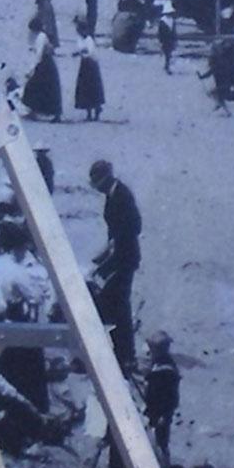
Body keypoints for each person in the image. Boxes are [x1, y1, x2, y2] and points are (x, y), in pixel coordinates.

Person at [88, 159, 142, 375]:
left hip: (124, 259)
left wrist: (111, 252)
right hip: (118, 256)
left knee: (118, 307)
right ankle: (120, 352)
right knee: (115, 304)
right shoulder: (113, 194)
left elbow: (134, 226)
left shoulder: (122, 195)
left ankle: (125, 356)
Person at [143, 332, 181, 468]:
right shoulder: (159, 364)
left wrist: (163, 413)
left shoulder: (166, 369)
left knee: (160, 437)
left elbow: (167, 395)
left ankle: (163, 466)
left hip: (161, 409)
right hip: (155, 408)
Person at [20, 16, 62, 122]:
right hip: (47, 64)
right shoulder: (42, 36)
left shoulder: (40, 37)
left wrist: (32, 70)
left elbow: (38, 55)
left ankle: (35, 110)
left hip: (44, 65)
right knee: (45, 89)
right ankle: (38, 111)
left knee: (34, 86)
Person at [72, 22, 105, 122]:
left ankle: (96, 111)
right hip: (84, 65)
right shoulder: (80, 39)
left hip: (91, 66)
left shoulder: (89, 40)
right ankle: (89, 113)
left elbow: (90, 53)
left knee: (92, 88)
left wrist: (80, 52)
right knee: (85, 89)